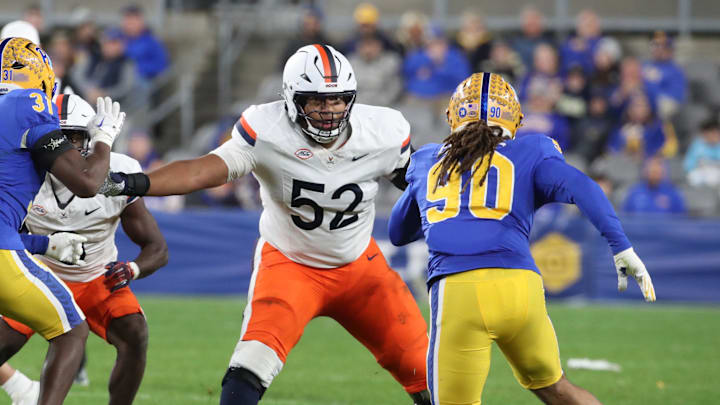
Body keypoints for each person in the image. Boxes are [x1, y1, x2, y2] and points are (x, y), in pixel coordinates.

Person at [99, 44, 431, 405]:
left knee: (426, 371)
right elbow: (205, 170)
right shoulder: (268, 129)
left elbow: (419, 184)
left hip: (360, 268)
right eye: (316, 101)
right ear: (291, 99)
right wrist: (136, 182)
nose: (328, 111)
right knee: (249, 368)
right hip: (290, 265)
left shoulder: (382, 130)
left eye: (337, 100)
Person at [388, 72, 656, 405]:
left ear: (452, 115)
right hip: (519, 289)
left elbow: (397, 233)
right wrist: (621, 245)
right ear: (514, 117)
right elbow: (583, 187)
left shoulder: (427, 159)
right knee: (557, 389)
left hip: (458, 291)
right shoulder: (531, 149)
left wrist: (428, 200)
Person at [0, 94, 168, 405]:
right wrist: (45, 245)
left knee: (135, 333)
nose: (63, 147)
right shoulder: (20, 174)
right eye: (56, 138)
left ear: (91, 138)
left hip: (95, 279)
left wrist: (133, 268)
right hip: (38, 273)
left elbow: (157, 247)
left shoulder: (118, 170)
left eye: (73, 137)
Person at [0, 37, 125, 405]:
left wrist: (45, 243)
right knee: (71, 331)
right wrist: (102, 139)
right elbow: (87, 183)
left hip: (10, 242)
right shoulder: (27, 102)